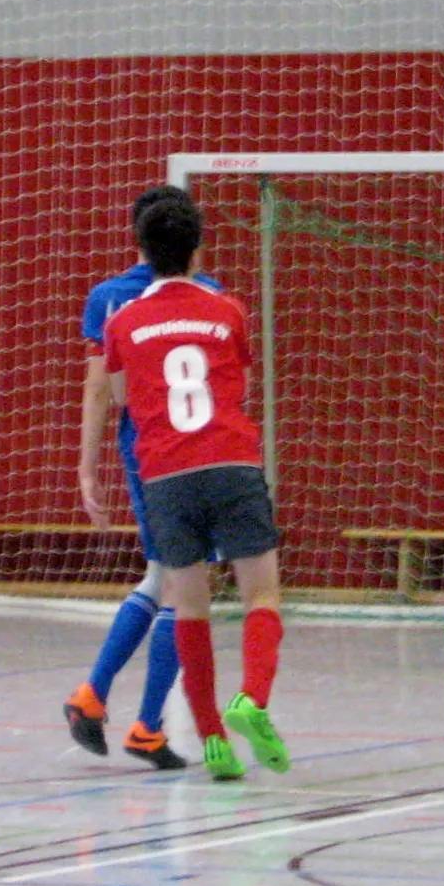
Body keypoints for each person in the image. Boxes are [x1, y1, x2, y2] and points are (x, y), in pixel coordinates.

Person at [103, 196, 290, 781]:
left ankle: (211, 740)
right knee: (261, 595)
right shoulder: (227, 309)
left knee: (188, 607)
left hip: (165, 474)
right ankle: (252, 699)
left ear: (141, 250)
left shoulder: (122, 320)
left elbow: (120, 397)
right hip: (230, 461)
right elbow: (240, 380)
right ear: (198, 250)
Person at [62, 185, 217, 771]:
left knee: (163, 576)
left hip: (140, 450)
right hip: (188, 452)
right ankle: (147, 726)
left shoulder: (107, 297)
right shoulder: (210, 295)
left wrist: (87, 465)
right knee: (183, 585)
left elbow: (100, 389)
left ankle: (92, 695)